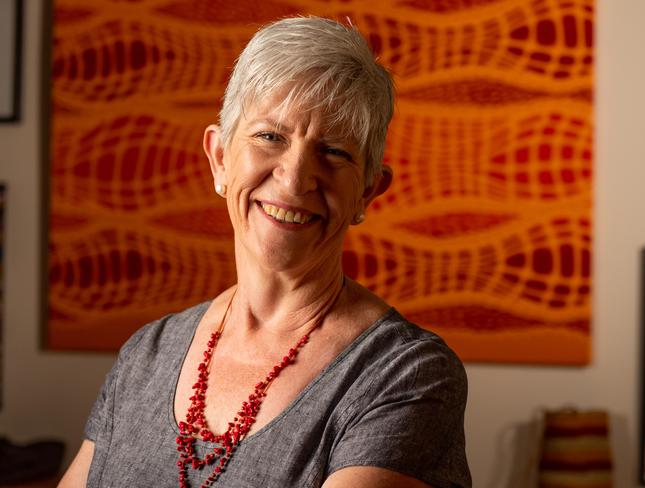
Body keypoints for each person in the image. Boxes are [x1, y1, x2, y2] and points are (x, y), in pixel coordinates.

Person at [59, 16, 471, 488]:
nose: (295, 179)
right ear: (219, 159)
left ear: (368, 192)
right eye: (270, 137)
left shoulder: (406, 376)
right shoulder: (146, 356)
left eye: (334, 151)